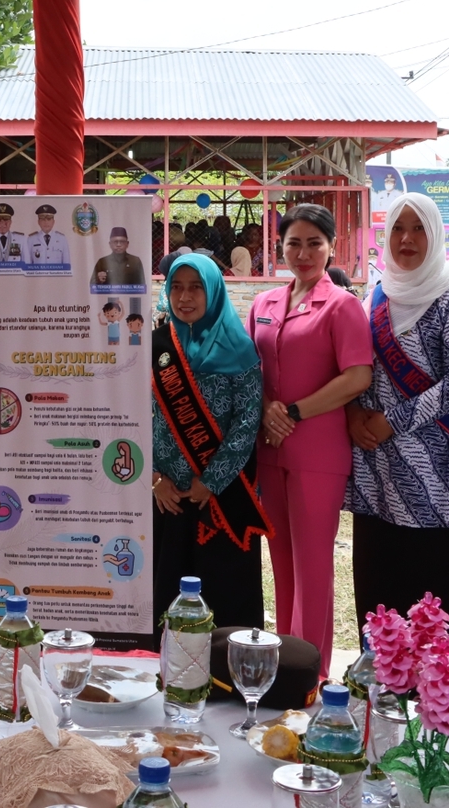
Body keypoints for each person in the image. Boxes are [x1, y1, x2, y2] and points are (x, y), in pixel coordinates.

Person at [345, 193, 449, 660]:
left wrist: (392, 420)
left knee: (432, 589)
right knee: (381, 582)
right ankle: (382, 679)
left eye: (419, 228)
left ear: (436, 233)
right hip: (377, 470)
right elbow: (357, 367)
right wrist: (354, 415)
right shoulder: (376, 296)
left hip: (438, 477)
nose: (407, 239)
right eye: (398, 229)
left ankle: (437, 698)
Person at [248, 203, 373, 677]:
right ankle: (284, 660)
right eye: (293, 242)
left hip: (318, 452)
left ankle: (310, 672)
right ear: (279, 247)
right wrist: (266, 410)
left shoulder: (342, 305)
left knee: (314, 563)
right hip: (270, 448)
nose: (303, 253)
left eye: (314, 243)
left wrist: (294, 411)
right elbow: (249, 369)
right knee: (280, 560)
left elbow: (358, 375)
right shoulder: (264, 304)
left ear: (331, 248)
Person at [151, 254, 268, 630]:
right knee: (165, 594)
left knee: (225, 597)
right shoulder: (154, 346)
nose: (185, 297)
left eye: (196, 287)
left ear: (214, 291)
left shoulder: (241, 350)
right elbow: (132, 416)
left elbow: (247, 423)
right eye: (177, 287)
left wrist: (210, 482)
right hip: (165, 498)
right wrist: (154, 477)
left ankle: (228, 678)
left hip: (222, 499)